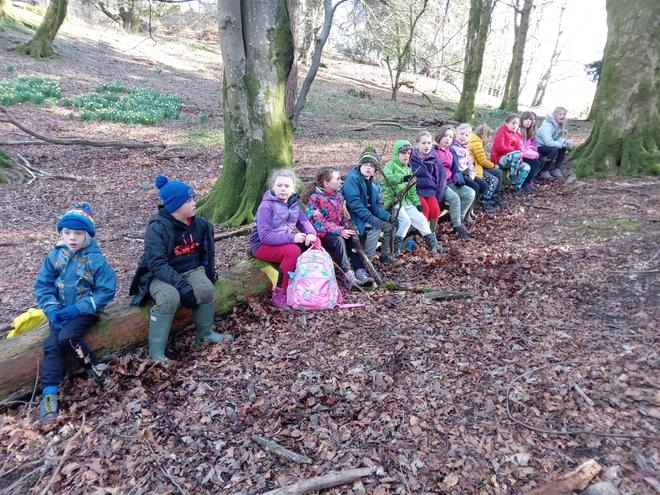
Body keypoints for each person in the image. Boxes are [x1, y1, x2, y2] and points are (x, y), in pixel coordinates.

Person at [130, 175, 233, 361]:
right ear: (175, 206)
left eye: (193, 199)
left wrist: (208, 275)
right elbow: (156, 263)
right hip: (159, 275)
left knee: (206, 289)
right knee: (169, 297)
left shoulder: (199, 225)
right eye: (189, 200)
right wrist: (183, 287)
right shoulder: (157, 228)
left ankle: (205, 333)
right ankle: (157, 353)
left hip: (191, 269)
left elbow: (206, 255)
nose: (194, 203)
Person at [35, 203, 117, 423]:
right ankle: (49, 396)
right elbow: (43, 285)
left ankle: (95, 368)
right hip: (59, 311)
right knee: (52, 345)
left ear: (87, 235)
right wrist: (52, 310)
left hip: (85, 310)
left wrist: (78, 308)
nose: (72, 238)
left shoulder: (95, 259)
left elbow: (106, 290)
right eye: (67, 232)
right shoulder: (55, 256)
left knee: (68, 337)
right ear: (61, 233)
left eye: (78, 233)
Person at [249, 169, 317, 308]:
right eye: (279, 185)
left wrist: (311, 234)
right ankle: (280, 292)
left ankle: (308, 283)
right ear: (273, 186)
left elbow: (304, 223)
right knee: (293, 251)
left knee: (315, 242)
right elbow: (265, 236)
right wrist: (293, 238)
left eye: (287, 186)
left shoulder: (294, 204)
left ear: (293, 188)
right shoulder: (266, 206)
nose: (283, 189)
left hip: (283, 242)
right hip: (262, 245)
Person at [305, 167, 373, 287]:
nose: (340, 181)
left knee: (351, 237)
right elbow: (318, 222)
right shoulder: (314, 198)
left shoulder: (338, 197)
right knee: (339, 240)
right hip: (322, 234)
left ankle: (360, 271)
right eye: (337, 179)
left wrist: (349, 228)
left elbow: (342, 218)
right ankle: (348, 275)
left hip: (337, 230)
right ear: (326, 183)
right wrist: (340, 230)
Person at [383, 139, 443, 256]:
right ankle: (396, 248)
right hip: (393, 202)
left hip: (407, 202)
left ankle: (433, 246)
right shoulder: (389, 166)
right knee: (405, 221)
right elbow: (389, 179)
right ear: (396, 153)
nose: (406, 156)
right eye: (403, 153)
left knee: (421, 219)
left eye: (408, 153)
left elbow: (412, 191)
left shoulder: (408, 169)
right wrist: (402, 178)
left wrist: (417, 203)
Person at [341, 147, 397, 263]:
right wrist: (372, 219)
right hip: (353, 218)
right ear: (360, 165)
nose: (368, 168)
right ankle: (367, 261)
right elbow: (355, 205)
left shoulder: (373, 184)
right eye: (366, 164)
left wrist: (388, 216)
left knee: (389, 227)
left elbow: (375, 206)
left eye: (372, 166)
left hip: (365, 216)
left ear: (375, 170)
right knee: (375, 227)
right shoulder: (353, 179)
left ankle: (385, 255)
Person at [435, 125, 475, 239]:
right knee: (455, 198)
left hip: (450, 182)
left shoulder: (451, 151)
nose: (448, 139)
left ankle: (458, 222)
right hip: (440, 184)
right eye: (445, 136)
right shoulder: (434, 151)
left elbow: (455, 168)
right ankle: (457, 227)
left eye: (450, 137)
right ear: (439, 136)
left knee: (470, 193)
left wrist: (459, 180)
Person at [452, 123, 496, 220]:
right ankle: (465, 213)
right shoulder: (453, 147)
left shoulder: (465, 147)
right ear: (456, 133)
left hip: (466, 172)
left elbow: (470, 162)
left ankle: (471, 208)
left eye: (466, 135)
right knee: (475, 187)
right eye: (461, 134)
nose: (463, 137)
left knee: (484, 185)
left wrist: (472, 172)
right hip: (458, 174)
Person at [410, 131, 446, 234]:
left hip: (430, 191)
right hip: (417, 191)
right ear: (417, 144)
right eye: (423, 143)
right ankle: (422, 234)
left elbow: (440, 179)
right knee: (424, 210)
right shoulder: (411, 158)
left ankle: (431, 234)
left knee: (435, 210)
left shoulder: (435, 159)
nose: (427, 146)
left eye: (429, 143)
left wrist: (439, 196)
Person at [491, 113, 530, 194]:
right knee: (516, 153)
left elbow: (519, 150)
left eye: (517, 124)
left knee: (526, 167)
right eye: (513, 123)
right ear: (506, 123)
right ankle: (513, 175)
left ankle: (516, 188)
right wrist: (513, 151)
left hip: (513, 161)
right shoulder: (502, 131)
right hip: (500, 159)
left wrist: (521, 161)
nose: (515, 125)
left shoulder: (516, 135)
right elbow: (500, 147)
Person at [467, 124, 502, 209]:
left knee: (498, 172)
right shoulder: (476, 143)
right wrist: (493, 165)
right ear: (484, 135)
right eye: (488, 137)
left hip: (477, 166)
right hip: (474, 169)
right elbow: (482, 161)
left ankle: (494, 196)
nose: (489, 140)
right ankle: (485, 200)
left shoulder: (476, 140)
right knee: (494, 180)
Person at [536, 106, 573, 179]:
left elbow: (558, 138)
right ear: (555, 115)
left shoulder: (558, 125)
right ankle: (543, 170)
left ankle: (556, 169)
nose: (562, 116)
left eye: (564, 114)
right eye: (560, 114)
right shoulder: (547, 126)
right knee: (554, 150)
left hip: (547, 145)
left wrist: (566, 142)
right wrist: (561, 144)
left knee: (563, 148)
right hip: (539, 146)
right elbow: (549, 142)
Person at [518, 111, 543, 193]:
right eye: (526, 119)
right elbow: (520, 148)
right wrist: (533, 154)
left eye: (530, 119)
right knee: (535, 162)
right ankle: (524, 183)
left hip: (524, 153)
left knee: (540, 160)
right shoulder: (518, 131)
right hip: (517, 155)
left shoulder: (527, 131)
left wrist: (534, 153)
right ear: (521, 120)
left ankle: (528, 181)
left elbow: (528, 146)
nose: (529, 121)